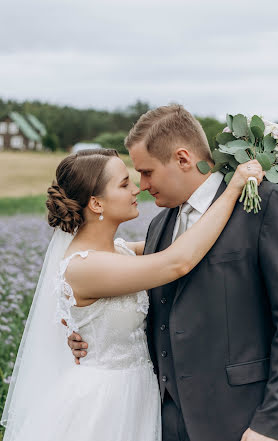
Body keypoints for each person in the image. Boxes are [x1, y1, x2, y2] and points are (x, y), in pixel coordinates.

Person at [0, 147, 263, 441]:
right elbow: (177, 261)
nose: (137, 189)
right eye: (124, 184)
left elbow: (182, 238)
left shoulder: (120, 250)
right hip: (107, 402)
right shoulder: (85, 267)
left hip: (140, 393)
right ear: (96, 203)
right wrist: (233, 189)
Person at [69, 106, 278, 441]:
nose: (142, 186)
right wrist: (93, 333)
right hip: (162, 421)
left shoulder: (264, 205)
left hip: (244, 420)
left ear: (183, 159)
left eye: (147, 172)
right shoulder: (160, 224)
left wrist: (273, 424)